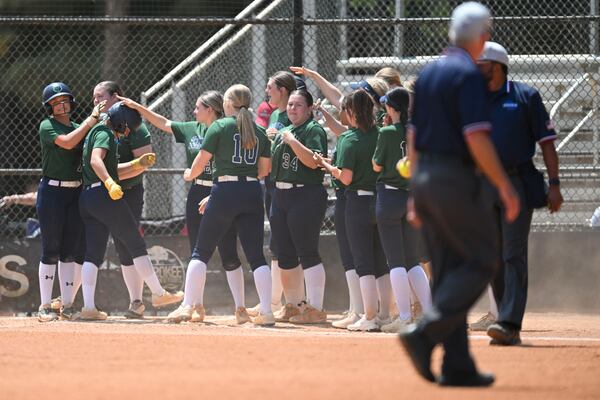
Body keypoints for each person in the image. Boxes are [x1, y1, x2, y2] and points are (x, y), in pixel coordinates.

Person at [398, 2, 520, 387]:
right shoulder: (467, 73)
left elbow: (413, 135)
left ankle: (458, 365)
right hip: (454, 178)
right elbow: (476, 136)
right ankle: (425, 333)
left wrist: (415, 190)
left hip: (426, 178)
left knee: (448, 270)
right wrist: (503, 183)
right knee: (484, 260)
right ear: (483, 36)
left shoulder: (430, 72)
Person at [118, 91, 244, 321]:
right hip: (198, 191)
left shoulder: (227, 128)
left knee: (228, 251)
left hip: (222, 189)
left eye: (198, 107)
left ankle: (240, 308)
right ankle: (196, 305)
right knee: (198, 251)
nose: (194, 111)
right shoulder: (191, 128)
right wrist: (138, 108)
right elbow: (164, 123)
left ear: (210, 109)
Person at [476, 41, 563, 345]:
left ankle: (510, 323)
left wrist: (554, 185)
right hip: (481, 184)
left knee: (513, 253)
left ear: (497, 66)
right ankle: (504, 317)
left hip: (515, 181)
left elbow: (547, 144)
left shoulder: (526, 96)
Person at [169, 84, 274, 326]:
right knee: (257, 256)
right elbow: (264, 171)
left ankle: (187, 306)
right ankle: (266, 311)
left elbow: (200, 161)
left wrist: (189, 175)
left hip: (224, 190)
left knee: (201, 251)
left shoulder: (219, 126)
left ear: (228, 104)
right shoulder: (259, 130)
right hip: (251, 192)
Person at [77, 102, 184, 320]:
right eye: (125, 127)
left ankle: (88, 306)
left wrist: (136, 163)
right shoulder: (105, 132)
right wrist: (109, 183)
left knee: (93, 253)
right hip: (103, 194)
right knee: (135, 242)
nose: (126, 133)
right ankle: (158, 293)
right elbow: (96, 161)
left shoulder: (94, 131)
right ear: (118, 121)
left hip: (88, 197)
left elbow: (107, 166)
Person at [315, 90, 390, 332]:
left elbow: (345, 178)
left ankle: (369, 316)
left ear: (351, 112)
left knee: (363, 262)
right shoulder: (381, 133)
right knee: (381, 261)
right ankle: (385, 315)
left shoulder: (349, 139)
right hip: (380, 199)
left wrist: (327, 165)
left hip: (357, 202)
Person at [36, 82, 106, 322]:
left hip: (75, 192)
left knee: (70, 251)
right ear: (49, 107)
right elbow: (67, 142)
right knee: (51, 250)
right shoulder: (48, 126)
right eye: (55, 102)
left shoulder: (80, 127)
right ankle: (45, 305)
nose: (60, 104)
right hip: (52, 193)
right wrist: (90, 121)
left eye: (64, 99)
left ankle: (67, 304)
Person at [91, 81, 155, 319]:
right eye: (94, 97)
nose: (96, 102)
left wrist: (111, 175)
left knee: (126, 244)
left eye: (100, 97)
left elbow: (143, 164)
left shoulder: (135, 126)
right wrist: (107, 178)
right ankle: (72, 302)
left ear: (115, 98)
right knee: (97, 245)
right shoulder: (97, 125)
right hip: (102, 191)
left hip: (128, 192)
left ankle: (136, 302)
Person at [372, 87, 432, 334]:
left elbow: (376, 166)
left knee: (395, 260)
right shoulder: (416, 131)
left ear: (392, 109)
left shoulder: (386, 132)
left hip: (389, 197)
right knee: (412, 260)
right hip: (412, 198)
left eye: (387, 105)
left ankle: (405, 316)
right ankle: (429, 314)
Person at [269, 89, 328, 324]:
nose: (292, 109)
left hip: (305, 194)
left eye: (299, 105)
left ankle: (316, 308)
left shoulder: (313, 130)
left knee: (307, 251)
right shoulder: (285, 131)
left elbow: (314, 162)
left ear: (309, 109)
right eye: (290, 105)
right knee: (284, 253)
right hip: (280, 194)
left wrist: (292, 141)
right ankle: (293, 305)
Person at [247, 71, 298, 318]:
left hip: (287, 184)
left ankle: (293, 301)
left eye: (271, 88)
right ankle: (275, 300)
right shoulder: (276, 113)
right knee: (276, 242)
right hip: (271, 182)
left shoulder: (292, 113)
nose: (267, 92)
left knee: (286, 243)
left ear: (283, 90)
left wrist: (275, 136)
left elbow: (293, 138)